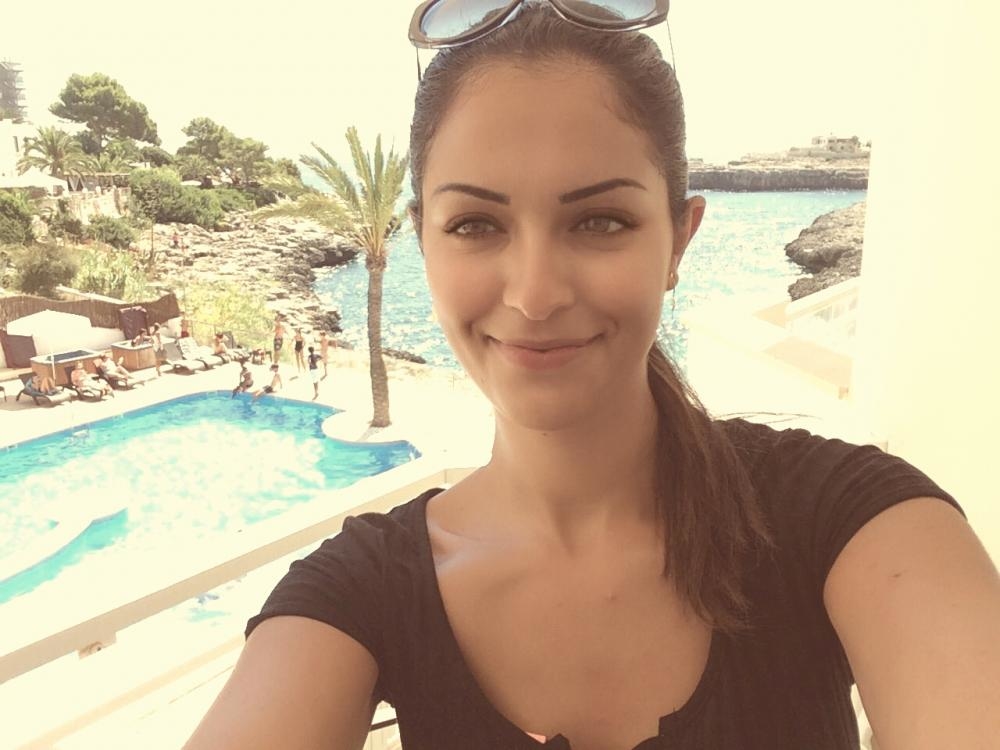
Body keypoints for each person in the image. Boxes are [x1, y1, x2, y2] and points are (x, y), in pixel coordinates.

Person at [184, 4, 1000, 750]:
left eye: (599, 220)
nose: (535, 295)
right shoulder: (360, 593)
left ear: (678, 241)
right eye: (476, 224)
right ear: (423, 242)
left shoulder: (850, 520)